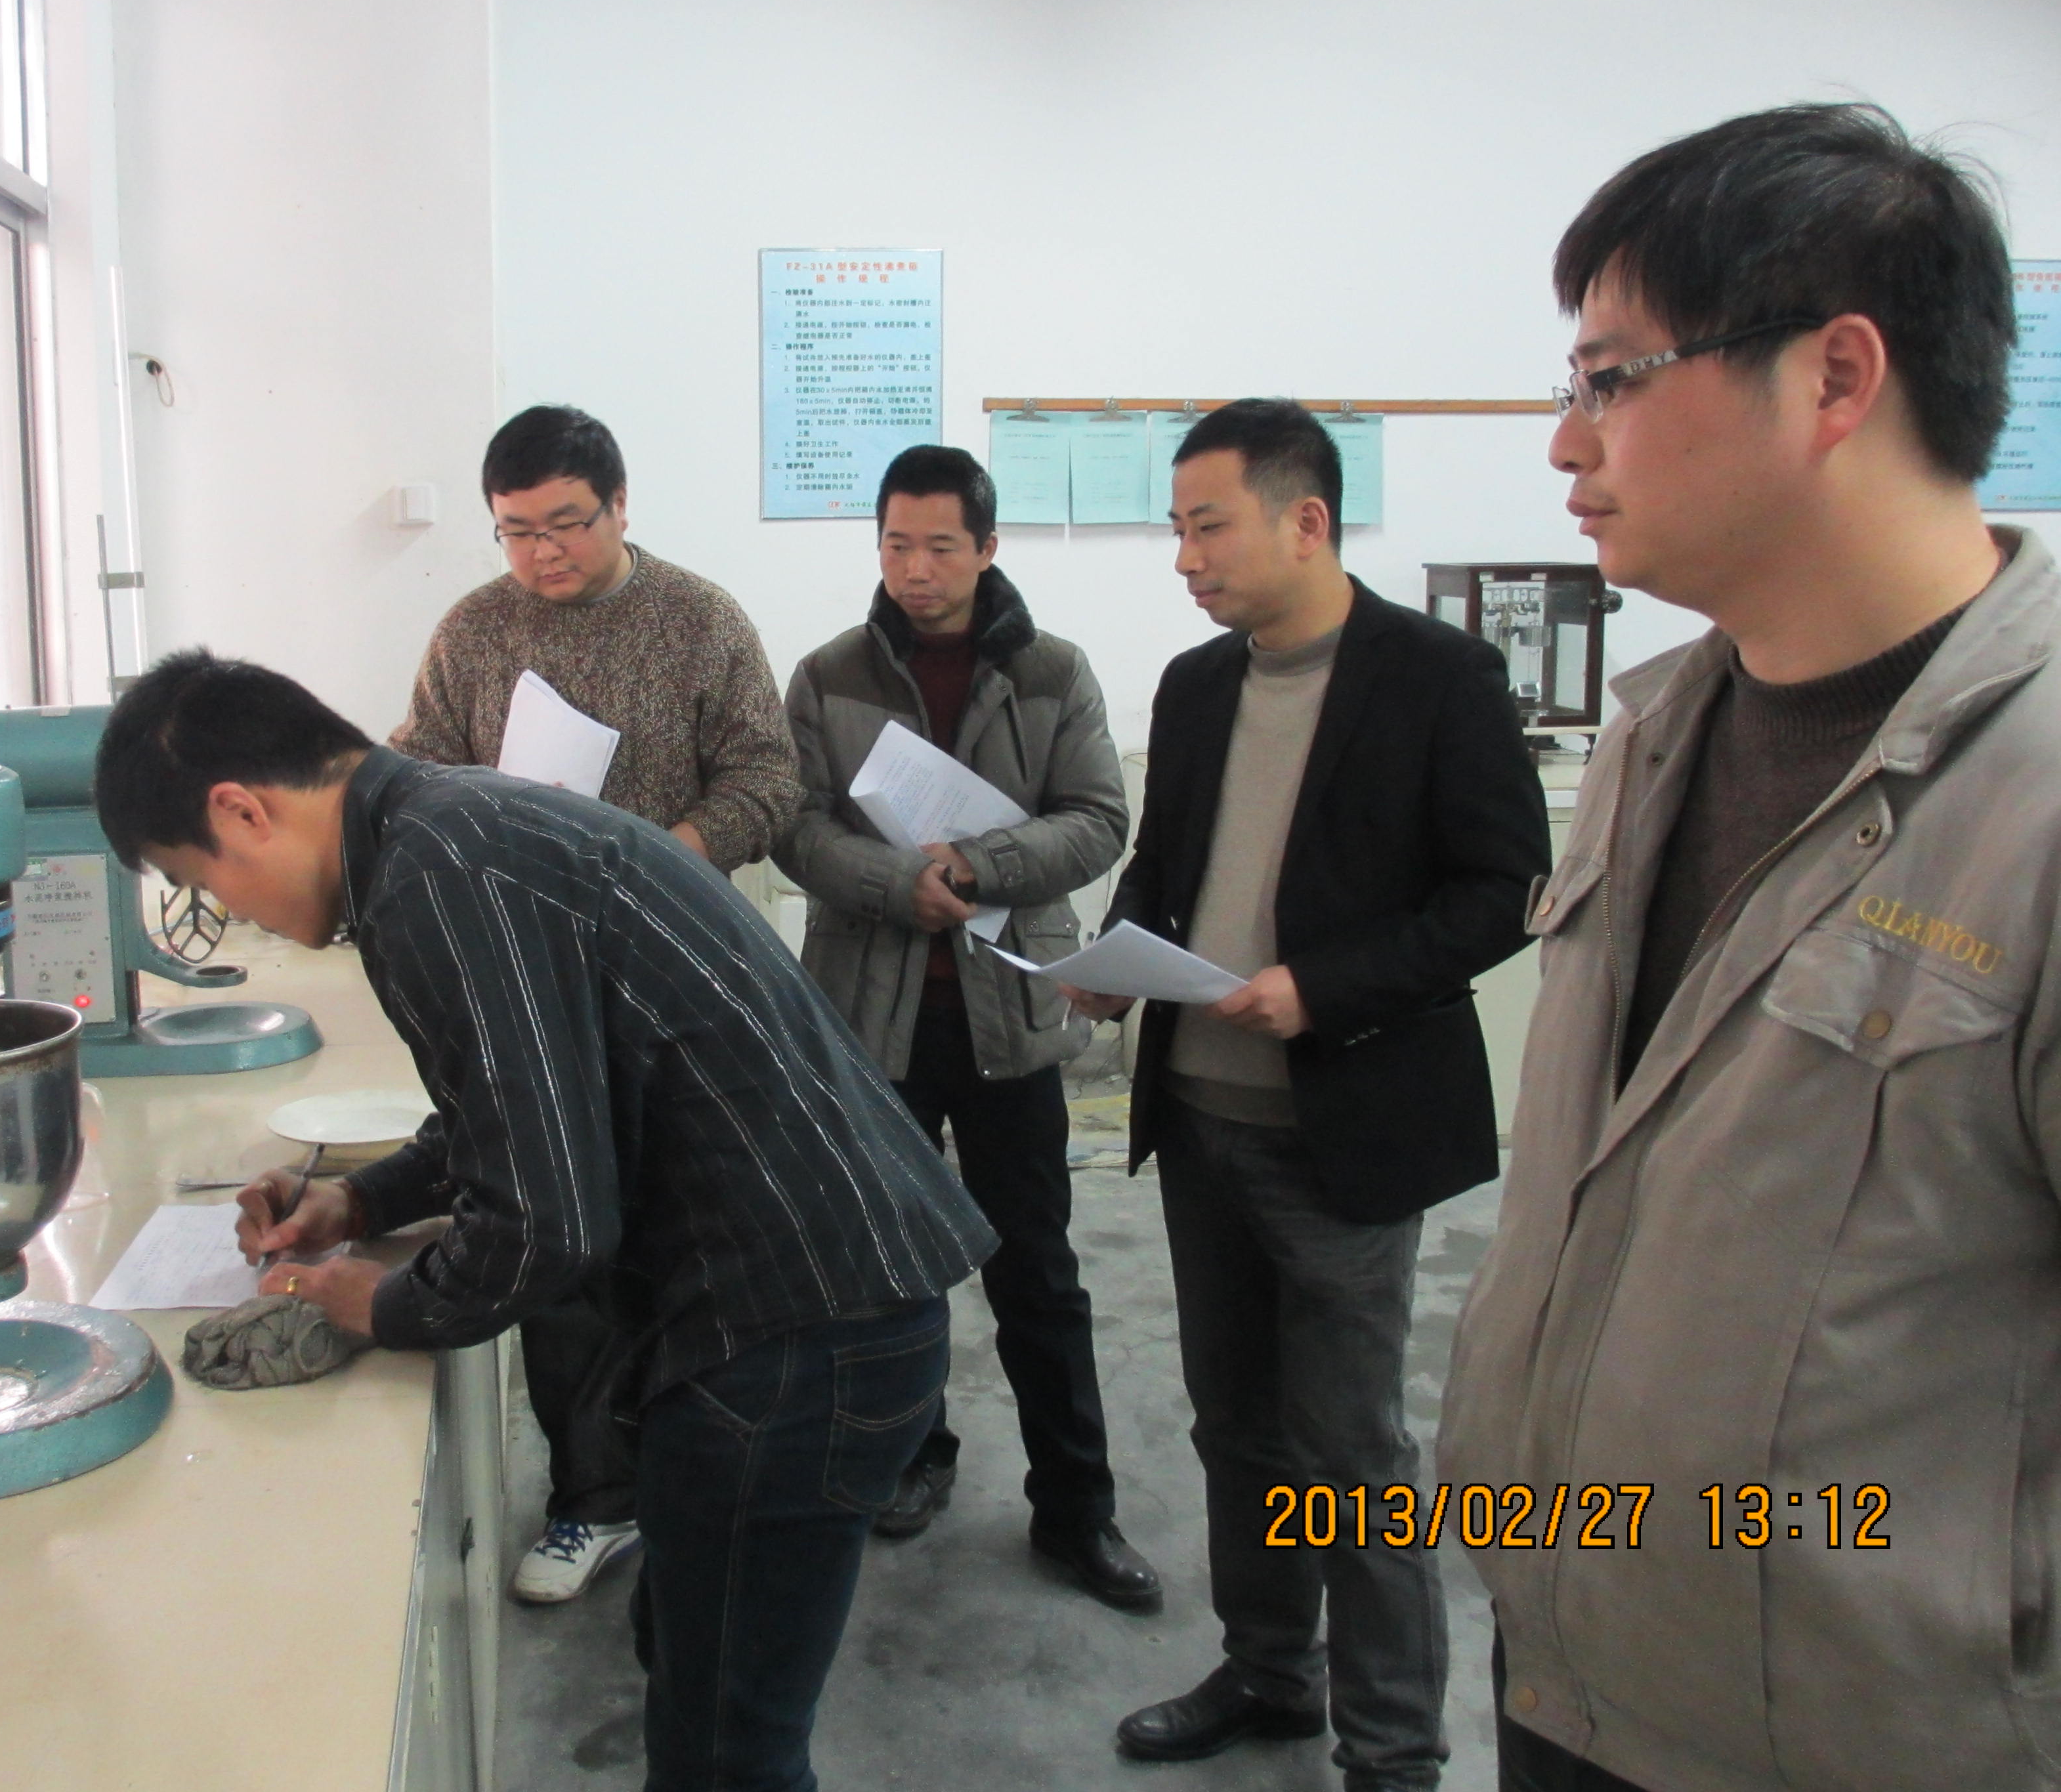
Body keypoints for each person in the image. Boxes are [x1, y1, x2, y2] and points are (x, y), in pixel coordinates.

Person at [1442, 104, 2055, 1792]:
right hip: (1565, 1656)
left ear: (1833, 378)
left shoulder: (2030, 803)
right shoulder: (1654, 735)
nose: (1562, 444)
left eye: (1609, 379)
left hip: (1864, 1736)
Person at [95, 650, 995, 1792]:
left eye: (207, 884)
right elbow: (529, 1104)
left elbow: (548, 1224)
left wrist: (388, 1305)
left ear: (241, 811)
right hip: (810, 1300)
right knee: (694, 1670)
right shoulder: (449, 827)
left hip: (798, 1333)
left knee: (731, 1755)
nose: (231, 913)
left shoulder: (433, 875)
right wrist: (363, 1199)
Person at [1075, 400, 1546, 1789]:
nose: (1184, 558)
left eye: (1206, 526)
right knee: (1236, 1429)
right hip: (1199, 1120)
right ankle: (1272, 1671)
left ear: (1307, 520)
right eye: (1176, 529)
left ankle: (1392, 1754)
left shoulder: (1437, 677)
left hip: (1340, 1134)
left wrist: (1322, 989)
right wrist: (1117, 956)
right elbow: (1164, 865)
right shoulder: (1194, 686)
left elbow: (1502, 892)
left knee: (1352, 1457)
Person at [394, 402, 804, 1604]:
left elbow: (767, 776)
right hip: (530, 983)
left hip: (675, 980)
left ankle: (706, 1479)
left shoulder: (699, 620)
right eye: (516, 532)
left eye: (567, 524)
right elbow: (416, 770)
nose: (543, 554)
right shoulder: (475, 631)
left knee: (692, 1242)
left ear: (621, 506)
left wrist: (666, 855)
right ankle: (592, 1498)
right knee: (562, 1244)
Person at [773, 444, 1157, 1610]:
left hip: (1007, 1025)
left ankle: (1077, 1510)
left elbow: (1098, 818)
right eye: (897, 545)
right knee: (888, 1271)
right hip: (871, 1027)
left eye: (941, 546)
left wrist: (981, 864)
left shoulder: (1053, 672)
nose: (916, 570)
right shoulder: (828, 675)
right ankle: (912, 1457)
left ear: (988, 548)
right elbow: (793, 826)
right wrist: (899, 883)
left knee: (1036, 1272)